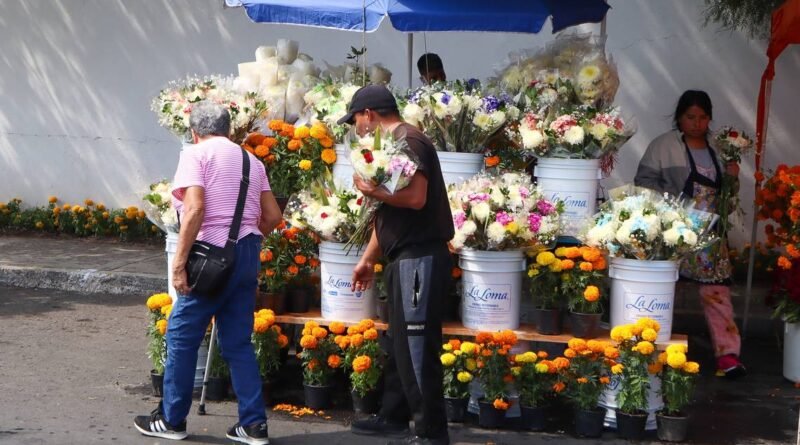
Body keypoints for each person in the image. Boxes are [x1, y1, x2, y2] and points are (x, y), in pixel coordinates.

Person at [134, 101, 281, 444]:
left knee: (182, 337)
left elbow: (195, 208)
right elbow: (273, 217)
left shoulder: (195, 155)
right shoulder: (251, 160)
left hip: (210, 258)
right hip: (247, 253)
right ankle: (253, 424)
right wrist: (245, 238)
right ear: (229, 130)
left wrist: (179, 262)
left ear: (194, 132)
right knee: (238, 343)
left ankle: (172, 420)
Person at [338, 84, 454, 445]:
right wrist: (367, 259)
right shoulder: (392, 146)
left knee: (417, 347)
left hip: (419, 257)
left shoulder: (409, 141)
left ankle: (431, 431)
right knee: (400, 343)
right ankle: (394, 415)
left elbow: (416, 198)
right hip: (403, 257)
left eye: (356, 120)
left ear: (369, 114)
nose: (357, 128)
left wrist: (372, 190)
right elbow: (390, 210)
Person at [634, 90, 746, 378]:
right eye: (690, 117)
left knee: (717, 293)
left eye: (703, 117)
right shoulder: (662, 146)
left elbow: (729, 197)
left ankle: (728, 355)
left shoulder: (721, 150)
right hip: (673, 232)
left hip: (710, 236)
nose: (697, 123)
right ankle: (648, 348)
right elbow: (643, 183)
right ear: (679, 118)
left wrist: (732, 175)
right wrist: (670, 210)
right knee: (660, 290)